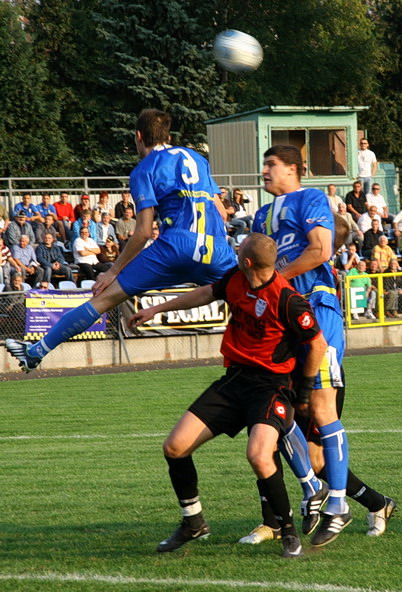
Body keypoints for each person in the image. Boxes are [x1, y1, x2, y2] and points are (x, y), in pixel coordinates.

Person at [130, 234, 328, 557]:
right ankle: (193, 522)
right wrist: (157, 310)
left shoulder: (287, 299)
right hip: (235, 381)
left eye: (239, 251)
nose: (235, 253)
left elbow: (318, 344)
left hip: (271, 388)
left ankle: (289, 530)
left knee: (259, 455)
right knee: (174, 446)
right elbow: (207, 292)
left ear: (247, 261)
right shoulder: (236, 279)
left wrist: (302, 391)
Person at [6, 108, 236, 372]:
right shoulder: (197, 158)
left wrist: (113, 271)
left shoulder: (144, 170)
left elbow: (143, 231)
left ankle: (36, 351)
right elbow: (221, 211)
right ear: (168, 135)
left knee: (103, 299)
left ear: (138, 136)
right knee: (249, 299)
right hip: (216, 249)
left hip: (175, 247)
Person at [248, 144, 395, 545]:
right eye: (264, 165)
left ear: (294, 170)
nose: (264, 171)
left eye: (272, 165)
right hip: (285, 324)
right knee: (278, 419)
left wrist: (272, 281)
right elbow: (255, 268)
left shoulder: (309, 199)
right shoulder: (262, 214)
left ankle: (335, 504)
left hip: (316, 312)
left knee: (320, 416)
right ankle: (327, 498)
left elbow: (321, 249)